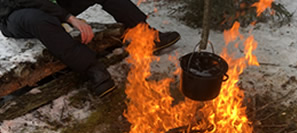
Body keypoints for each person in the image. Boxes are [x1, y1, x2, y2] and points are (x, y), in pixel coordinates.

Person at [0, 0, 181, 97]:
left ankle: (145, 34)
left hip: (54, 6)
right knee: (39, 19)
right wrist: (69, 17)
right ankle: (93, 69)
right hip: (17, 13)